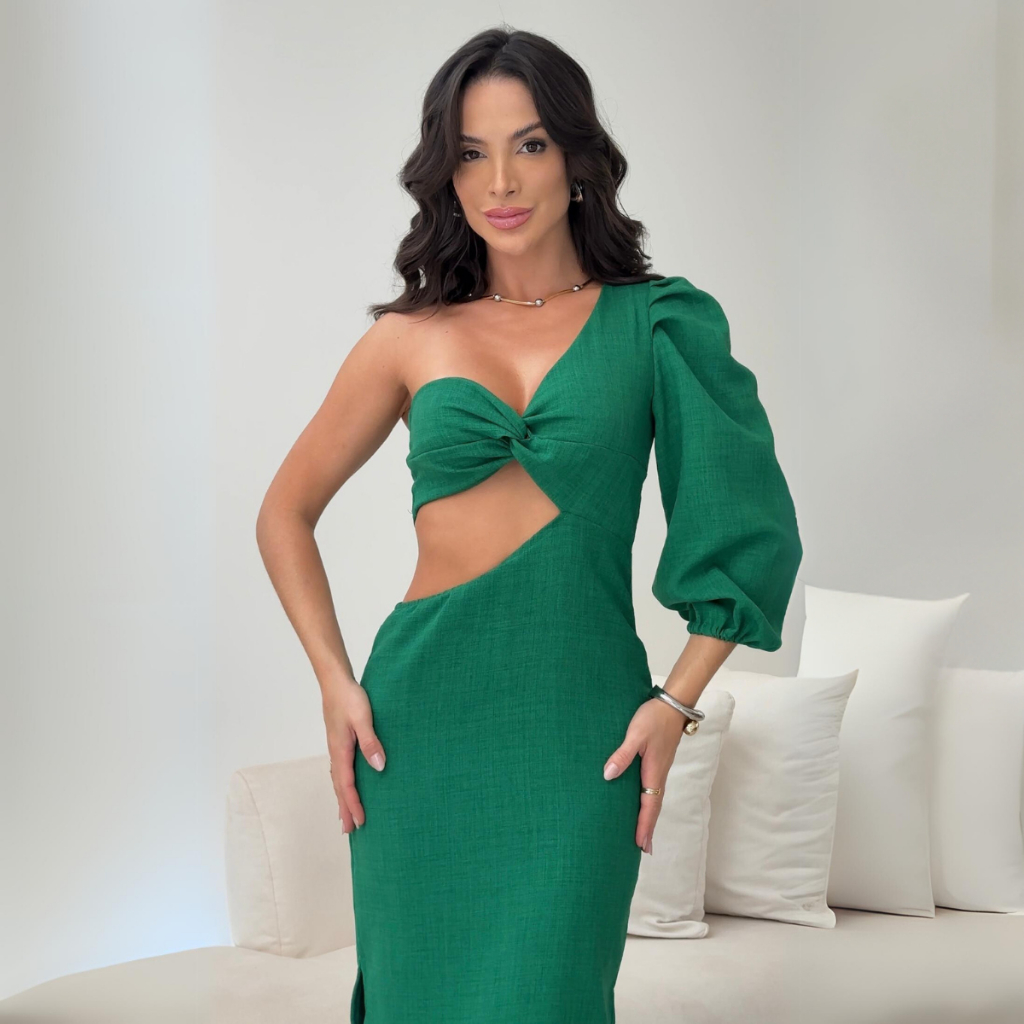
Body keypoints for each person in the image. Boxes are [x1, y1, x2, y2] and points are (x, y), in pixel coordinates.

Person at [256, 25, 802, 1024]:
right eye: (471, 153)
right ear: (446, 174)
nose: (500, 180)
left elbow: (744, 523)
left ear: (577, 159)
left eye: (531, 144)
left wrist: (674, 703)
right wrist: (335, 682)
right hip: (417, 730)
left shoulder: (658, 322)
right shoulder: (407, 339)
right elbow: (284, 512)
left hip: (578, 732)